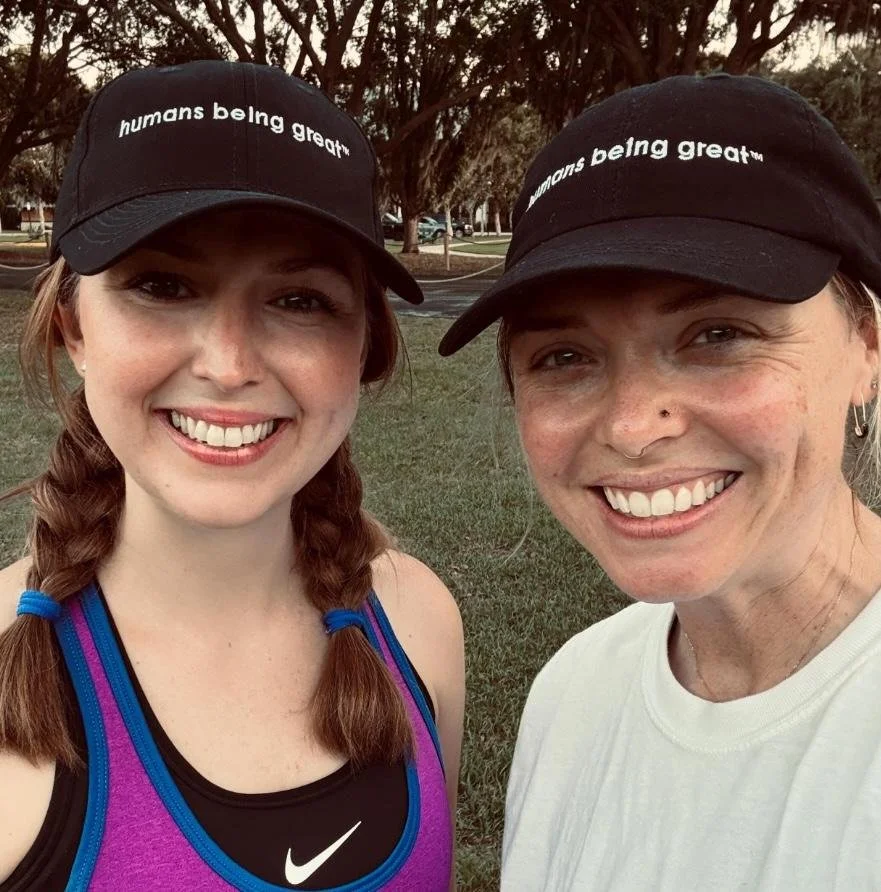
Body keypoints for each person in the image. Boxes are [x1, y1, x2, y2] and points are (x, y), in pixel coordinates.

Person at [0, 60, 464, 891]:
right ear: (73, 328)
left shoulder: (420, 621)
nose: (227, 364)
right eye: (163, 286)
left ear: (362, 348)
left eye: (299, 301)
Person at [440, 73, 881, 890]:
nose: (634, 426)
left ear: (865, 346)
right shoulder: (573, 695)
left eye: (717, 333)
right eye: (563, 357)